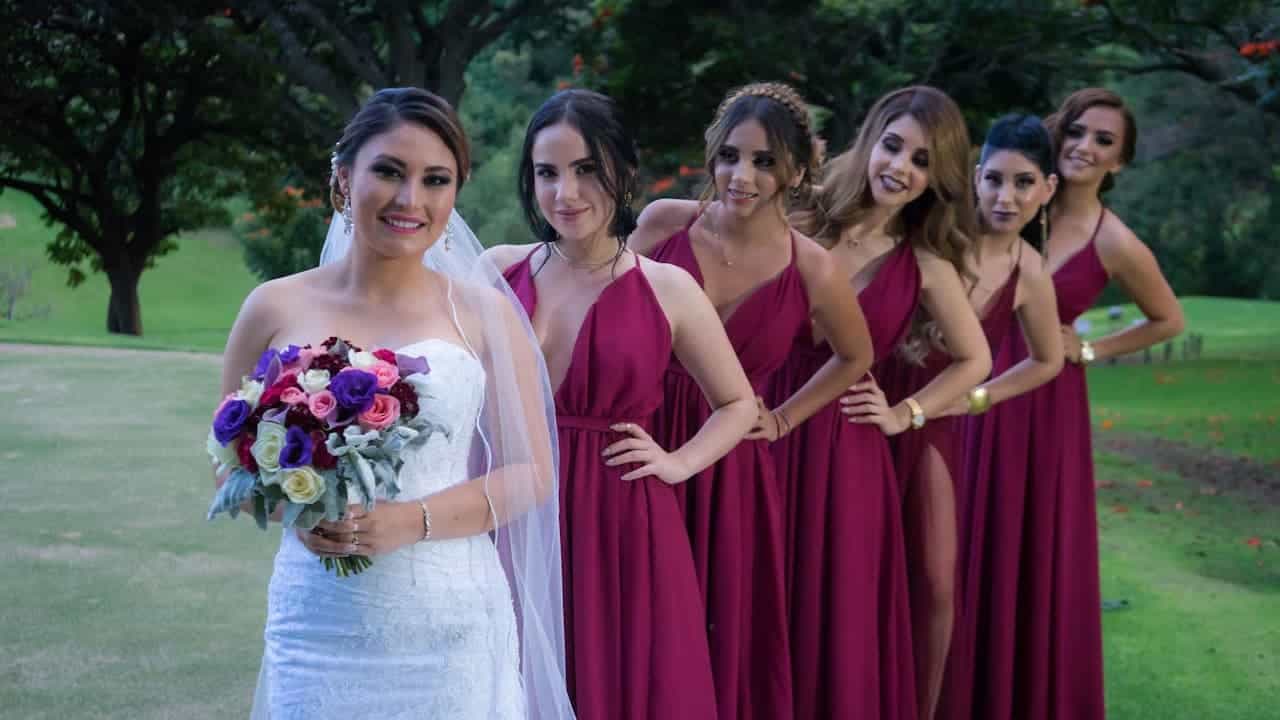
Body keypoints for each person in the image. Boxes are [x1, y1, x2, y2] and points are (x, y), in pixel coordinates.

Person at [218, 87, 574, 719]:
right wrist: (296, 507)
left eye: (435, 180)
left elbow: (531, 474)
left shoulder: (485, 314)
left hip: (448, 621)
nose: (411, 200)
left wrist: (408, 522)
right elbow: (232, 464)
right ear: (342, 180)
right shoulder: (273, 307)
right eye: (388, 171)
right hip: (319, 623)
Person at [486, 88, 757, 720]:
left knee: (621, 687)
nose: (565, 193)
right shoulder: (496, 273)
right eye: (547, 173)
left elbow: (738, 402)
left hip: (623, 521)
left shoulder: (668, 288)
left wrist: (679, 463)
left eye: (585, 170)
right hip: (513, 514)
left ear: (623, 172)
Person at [630, 81, 873, 720]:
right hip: (644, 441)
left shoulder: (814, 268)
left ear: (796, 169)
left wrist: (787, 416)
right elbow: (605, 308)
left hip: (728, 459)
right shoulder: (664, 223)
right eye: (730, 156)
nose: (742, 176)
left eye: (764, 162)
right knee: (637, 613)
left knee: (718, 622)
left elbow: (856, 356)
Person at [801, 85, 991, 720]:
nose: (901, 169)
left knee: (840, 613)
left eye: (922, 162)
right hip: (766, 430)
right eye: (893, 147)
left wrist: (905, 414)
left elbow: (977, 360)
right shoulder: (799, 220)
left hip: (849, 451)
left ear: (936, 179)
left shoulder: (926, 265)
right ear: (869, 141)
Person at [1008, 88, 1184, 720]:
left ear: (1120, 163)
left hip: (1046, 409)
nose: (1086, 146)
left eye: (1104, 141)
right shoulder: (1016, 196)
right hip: (975, 385)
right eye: (1078, 132)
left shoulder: (1116, 243)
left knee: (1032, 552)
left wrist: (1091, 349)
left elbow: (1168, 318)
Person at [934, 114, 1064, 720]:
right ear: (974, 177)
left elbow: (1048, 360)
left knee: (941, 584)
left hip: (950, 434)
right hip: (881, 413)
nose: (1004, 197)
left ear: (1048, 190)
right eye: (993, 179)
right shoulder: (935, 235)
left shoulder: (1030, 274)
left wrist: (980, 397)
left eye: (1023, 182)